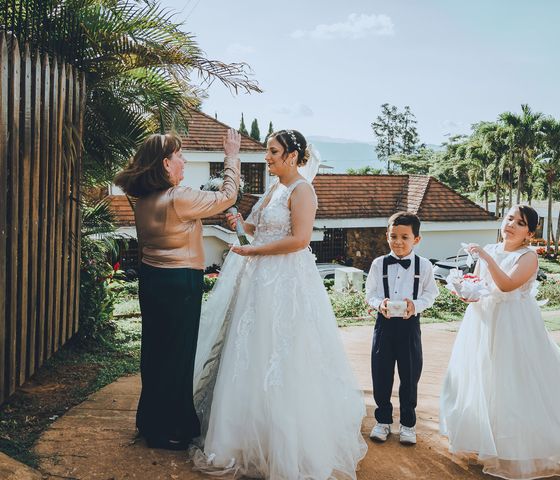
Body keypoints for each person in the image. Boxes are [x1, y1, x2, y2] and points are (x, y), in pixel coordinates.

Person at [190, 130, 367, 479]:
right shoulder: (274, 189)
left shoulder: (303, 190)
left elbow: (300, 240)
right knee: (250, 352)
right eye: (267, 152)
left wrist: (252, 250)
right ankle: (241, 438)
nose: (267, 158)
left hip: (286, 282)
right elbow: (252, 231)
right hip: (258, 282)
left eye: (272, 152)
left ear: (292, 155)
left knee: (283, 353)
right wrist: (239, 225)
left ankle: (285, 445)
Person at [440, 205, 560, 479]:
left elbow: (507, 285)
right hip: (483, 319)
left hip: (513, 323)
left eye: (519, 223)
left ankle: (521, 445)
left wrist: (485, 256)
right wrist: (468, 290)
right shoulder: (491, 250)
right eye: (509, 218)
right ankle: (488, 438)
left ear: (529, 233)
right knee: (484, 375)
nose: (511, 225)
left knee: (514, 379)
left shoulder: (528, 256)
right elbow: (482, 284)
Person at [113, 130, 241, 450]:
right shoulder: (178, 198)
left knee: (155, 353)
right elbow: (228, 196)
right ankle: (172, 428)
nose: (184, 162)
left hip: (152, 280)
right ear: (167, 164)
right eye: (180, 157)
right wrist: (231, 156)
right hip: (181, 281)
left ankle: (150, 421)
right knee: (179, 355)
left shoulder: (144, 199)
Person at [365, 212, 439, 445]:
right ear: (387, 236)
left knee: (409, 376)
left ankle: (408, 424)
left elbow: (431, 294)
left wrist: (414, 305)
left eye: (404, 237)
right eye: (393, 236)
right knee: (381, 374)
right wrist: (380, 304)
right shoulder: (379, 264)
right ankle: (383, 421)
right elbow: (371, 293)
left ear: (416, 239)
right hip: (383, 326)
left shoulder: (424, 266)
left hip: (409, 327)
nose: (398, 241)